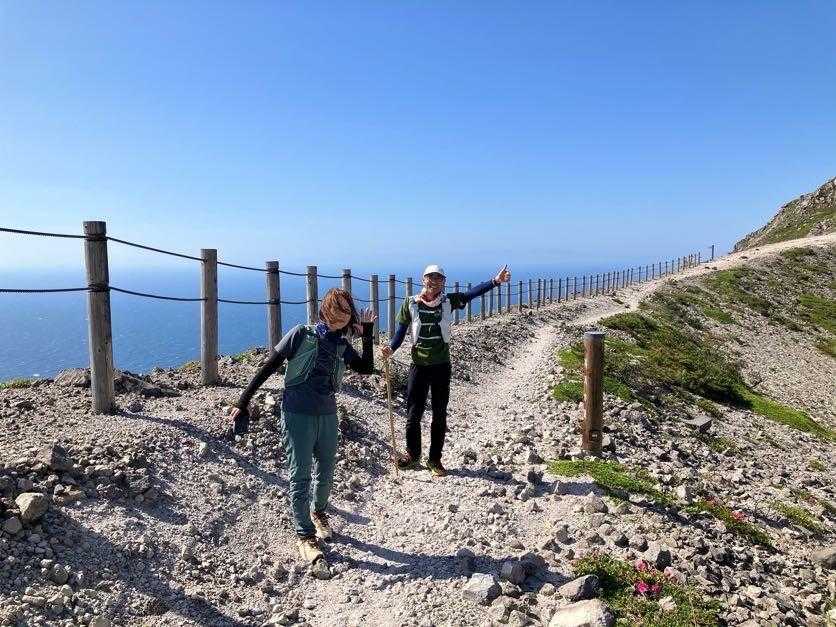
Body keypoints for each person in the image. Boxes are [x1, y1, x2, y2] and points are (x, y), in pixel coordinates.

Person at [228, 288, 376, 564]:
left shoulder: (342, 345)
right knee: (300, 475)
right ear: (324, 309)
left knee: (327, 470)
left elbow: (366, 369)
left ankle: (318, 512)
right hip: (297, 414)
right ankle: (305, 535)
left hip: (328, 414)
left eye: (346, 311)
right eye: (336, 309)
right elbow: (268, 367)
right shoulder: (301, 334)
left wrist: (367, 332)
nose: (340, 315)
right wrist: (243, 401)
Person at [382, 264, 511, 476]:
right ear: (423, 279)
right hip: (418, 366)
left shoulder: (448, 301)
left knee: (439, 414)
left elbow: (471, 294)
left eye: (439, 278)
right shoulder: (410, 303)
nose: (434, 281)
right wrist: (391, 348)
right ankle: (413, 455)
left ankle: (435, 460)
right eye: (430, 277)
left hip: (441, 366)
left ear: (443, 282)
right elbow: (400, 333)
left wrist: (495, 281)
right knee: (413, 413)